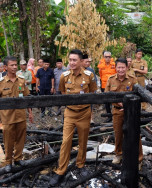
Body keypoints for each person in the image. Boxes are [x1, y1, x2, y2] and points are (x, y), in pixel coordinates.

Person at [49, 49, 97, 186]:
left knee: (83, 141)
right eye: (70, 60)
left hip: (84, 113)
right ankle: (60, 171)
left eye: (75, 60)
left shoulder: (89, 76)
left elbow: (93, 92)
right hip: (69, 113)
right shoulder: (64, 76)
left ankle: (80, 165)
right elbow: (63, 92)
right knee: (66, 141)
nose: (71, 62)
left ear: (81, 61)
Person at [105, 58, 143, 164]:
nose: (121, 70)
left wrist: (128, 105)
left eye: (123, 67)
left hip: (131, 112)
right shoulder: (111, 79)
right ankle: (119, 154)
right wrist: (119, 103)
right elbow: (107, 96)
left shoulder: (133, 79)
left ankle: (139, 158)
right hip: (117, 111)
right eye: (119, 67)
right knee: (118, 134)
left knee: (135, 133)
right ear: (115, 68)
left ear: (127, 68)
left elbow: (138, 95)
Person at [97, 51, 116, 122]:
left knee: (114, 100)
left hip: (113, 85)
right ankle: (109, 116)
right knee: (106, 101)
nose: (108, 58)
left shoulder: (114, 64)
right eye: (106, 57)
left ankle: (115, 115)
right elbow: (100, 74)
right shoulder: (101, 65)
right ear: (103, 57)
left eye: (109, 57)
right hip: (104, 85)